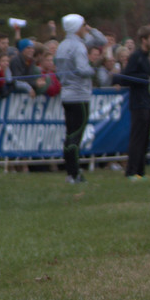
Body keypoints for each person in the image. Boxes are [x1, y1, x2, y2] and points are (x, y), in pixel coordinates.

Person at [54, 13, 107, 185]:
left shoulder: (62, 45)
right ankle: (74, 173)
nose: (86, 28)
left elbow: (101, 41)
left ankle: (70, 172)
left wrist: (90, 30)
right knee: (76, 135)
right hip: (79, 95)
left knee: (70, 134)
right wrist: (94, 69)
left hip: (66, 95)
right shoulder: (78, 47)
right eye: (84, 25)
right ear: (77, 27)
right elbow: (83, 69)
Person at [115, 25, 150, 181]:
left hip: (147, 101)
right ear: (144, 40)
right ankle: (131, 171)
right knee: (137, 138)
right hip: (138, 102)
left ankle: (141, 170)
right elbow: (127, 77)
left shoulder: (146, 57)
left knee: (145, 138)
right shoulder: (136, 57)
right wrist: (147, 79)